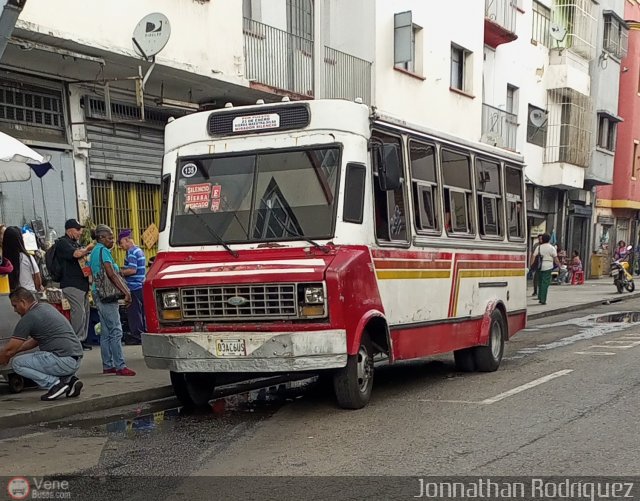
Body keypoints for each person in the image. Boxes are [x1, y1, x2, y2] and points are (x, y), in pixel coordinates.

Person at [0, 287, 83, 401]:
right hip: (75, 359)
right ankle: (69, 381)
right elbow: (35, 341)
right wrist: (15, 351)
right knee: (38, 356)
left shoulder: (29, 317)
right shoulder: (46, 307)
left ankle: (55, 384)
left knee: (17, 363)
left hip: (62, 360)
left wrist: (6, 356)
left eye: (15, 306)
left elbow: (9, 349)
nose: (15, 310)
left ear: (23, 302)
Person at [89, 224, 136, 376]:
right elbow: (111, 273)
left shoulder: (94, 251)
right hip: (107, 295)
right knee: (116, 330)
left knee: (106, 331)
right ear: (101, 238)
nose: (113, 241)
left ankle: (108, 364)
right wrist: (125, 292)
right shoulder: (103, 251)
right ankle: (120, 365)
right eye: (110, 238)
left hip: (97, 292)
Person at [57, 219, 94, 350]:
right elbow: (76, 254)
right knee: (78, 312)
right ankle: (76, 340)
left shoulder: (75, 243)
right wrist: (89, 248)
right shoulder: (63, 243)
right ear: (69, 230)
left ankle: (82, 339)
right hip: (72, 284)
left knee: (85, 313)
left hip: (82, 284)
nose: (80, 232)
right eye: (78, 229)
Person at [118, 230, 146, 345]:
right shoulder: (139, 250)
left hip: (134, 287)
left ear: (126, 240)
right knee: (140, 312)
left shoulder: (131, 252)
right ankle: (143, 334)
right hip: (140, 285)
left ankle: (137, 336)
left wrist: (119, 273)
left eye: (121, 243)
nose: (121, 246)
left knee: (134, 313)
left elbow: (132, 270)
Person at [1, 226, 42, 292]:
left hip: (10, 296)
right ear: (20, 240)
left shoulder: (4, 261)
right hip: (29, 294)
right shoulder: (27, 257)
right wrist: (38, 288)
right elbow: (37, 279)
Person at [530, 233, 560, 305]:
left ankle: (540, 297)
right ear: (549, 239)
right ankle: (543, 299)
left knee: (540, 282)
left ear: (542, 239)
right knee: (545, 283)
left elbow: (533, 256)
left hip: (539, 267)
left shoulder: (539, 247)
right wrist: (559, 266)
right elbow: (556, 259)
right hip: (548, 266)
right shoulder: (552, 248)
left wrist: (531, 265)